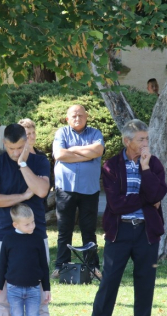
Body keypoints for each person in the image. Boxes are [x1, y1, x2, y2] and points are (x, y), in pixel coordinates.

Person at [0, 123, 64, 316]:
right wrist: (20, 198)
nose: (14, 152)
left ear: (26, 143)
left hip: (35, 235)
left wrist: (22, 164)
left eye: (19, 147)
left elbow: (40, 190)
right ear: (4, 144)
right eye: (10, 148)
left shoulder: (38, 162)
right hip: (4, 236)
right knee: (4, 297)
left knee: (39, 297)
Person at [84, 120, 167, 316]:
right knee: (108, 284)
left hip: (147, 233)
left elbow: (159, 192)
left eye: (146, 139)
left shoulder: (154, 164)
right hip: (119, 232)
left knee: (145, 286)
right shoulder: (111, 165)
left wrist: (146, 168)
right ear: (126, 141)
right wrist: (147, 199)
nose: (145, 144)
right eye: (141, 139)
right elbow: (117, 204)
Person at [51, 105, 104, 279]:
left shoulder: (95, 133)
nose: (77, 118)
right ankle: (61, 266)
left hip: (89, 189)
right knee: (64, 229)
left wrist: (72, 150)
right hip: (65, 187)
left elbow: (98, 150)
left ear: (86, 117)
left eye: (81, 115)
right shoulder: (61, 133)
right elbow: (59, 154)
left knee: (89, 230)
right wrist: (86, 154)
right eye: (73, 116)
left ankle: (92, 267)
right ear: (67, 119)